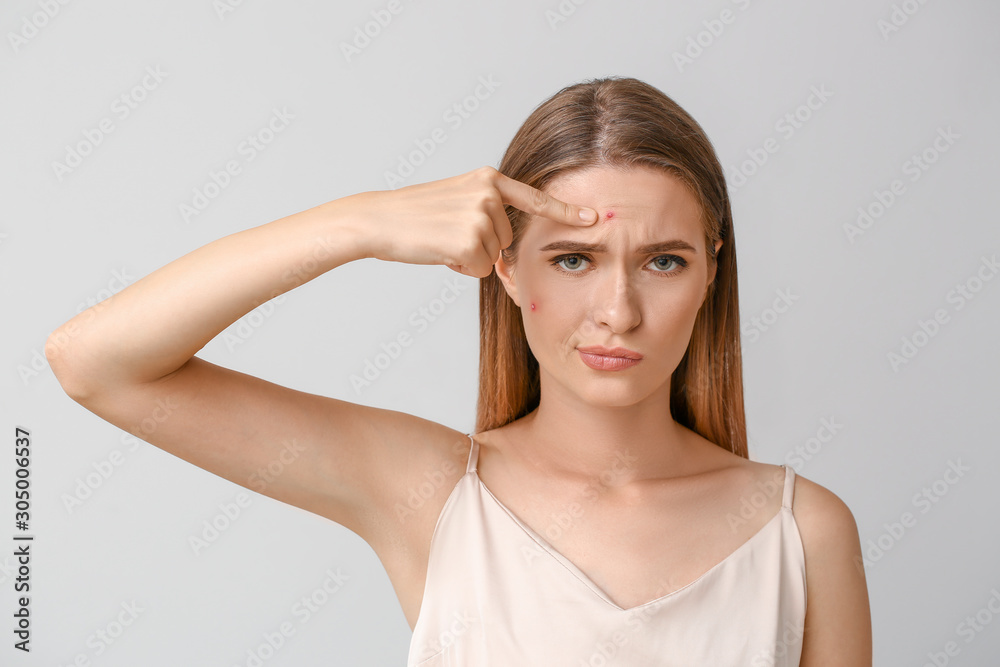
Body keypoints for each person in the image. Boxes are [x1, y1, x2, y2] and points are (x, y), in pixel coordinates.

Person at [47, 76, 872, 665]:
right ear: (507, 269)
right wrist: (362, 219)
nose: (618, 310)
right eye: (574, 258)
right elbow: (95, 363)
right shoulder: (432, 493)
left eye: (662, 261)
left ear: (712, 273)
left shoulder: (804, 533)